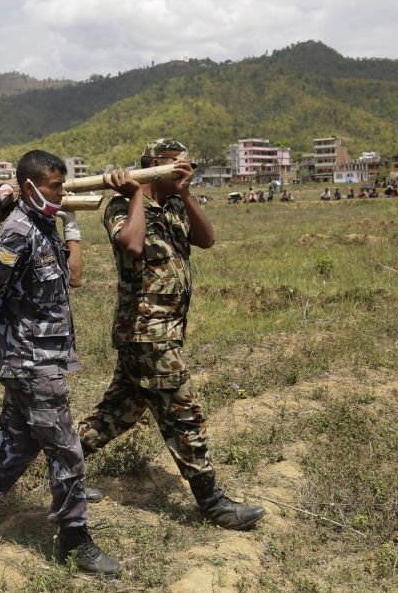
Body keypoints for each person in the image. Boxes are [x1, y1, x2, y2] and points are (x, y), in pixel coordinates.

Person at [0, 150, 119, 576]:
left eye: (63, 184)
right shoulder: (16, 233)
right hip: (28, 360)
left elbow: (73, 278)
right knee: (66, 449)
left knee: (16, 447)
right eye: (56, 186)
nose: (62, 192)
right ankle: (75, 542)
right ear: (30, 186)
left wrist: (71, 225)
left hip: (42, 358)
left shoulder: (44, 226)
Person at [77, 138, 265, 531]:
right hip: (148, 334)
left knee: (118, 412)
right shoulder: (119, 206)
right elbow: (131, 244)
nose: (184, 168)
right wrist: (134, 196)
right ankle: (213, 503)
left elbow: (207, 239)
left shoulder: (177, 204)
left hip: (164, 331)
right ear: (153, 165)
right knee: (184, 416)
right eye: (175, 164)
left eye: (188, 164)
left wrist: (185, 192)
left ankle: (64, 463)